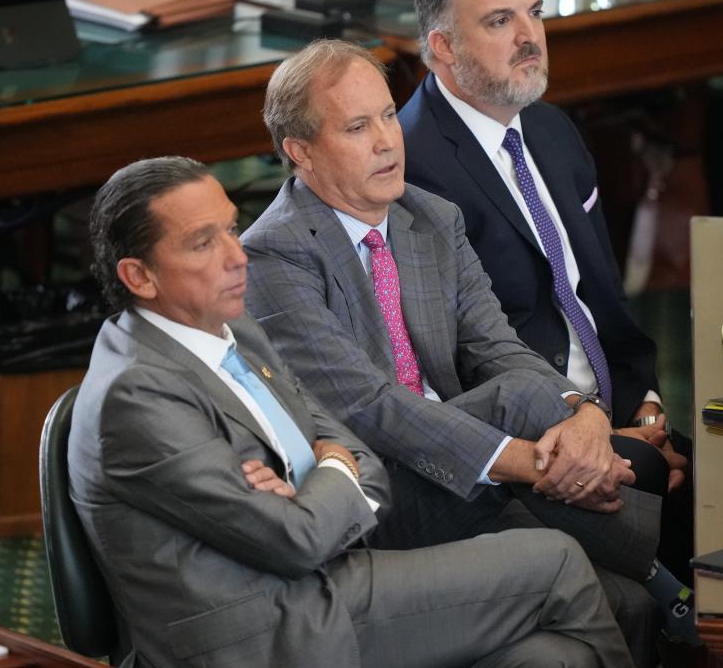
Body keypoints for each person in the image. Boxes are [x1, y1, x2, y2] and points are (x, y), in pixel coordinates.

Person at [68, 155, 633, 668]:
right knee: (556, 561)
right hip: (272, 630)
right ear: (138, 276)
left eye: (232, 230)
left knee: (553, 656)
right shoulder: (134, 395)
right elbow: (298, 536)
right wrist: (329, 468)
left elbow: (356, 453)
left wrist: (318, 473)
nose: (237, 257)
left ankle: (665, 583)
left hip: (328, 573)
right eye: (202, 244)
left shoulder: (229, 325)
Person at [241, 38, 698, 657]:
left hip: (466, 476)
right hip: (376, 497)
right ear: (300, 152)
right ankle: (679, 585)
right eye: (356, 127)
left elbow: (502, 349)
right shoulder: (276, 254)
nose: (387, 139)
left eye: (386, 114)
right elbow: (373, 408)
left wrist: (584, 414)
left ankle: (663, 590)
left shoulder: (429, 218)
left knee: (621, 608)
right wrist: (532, 462)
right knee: (533, 412)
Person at [397, 0, 693, 584]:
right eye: (501, 21)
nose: (531, 36)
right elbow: (459, 360)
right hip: (536, 438)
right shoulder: (411, 168)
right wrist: (598, 437)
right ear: (443, 46)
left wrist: (644, 408)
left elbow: (601, 300)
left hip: (612, 409)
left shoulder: (552, 129)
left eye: (534, 13)